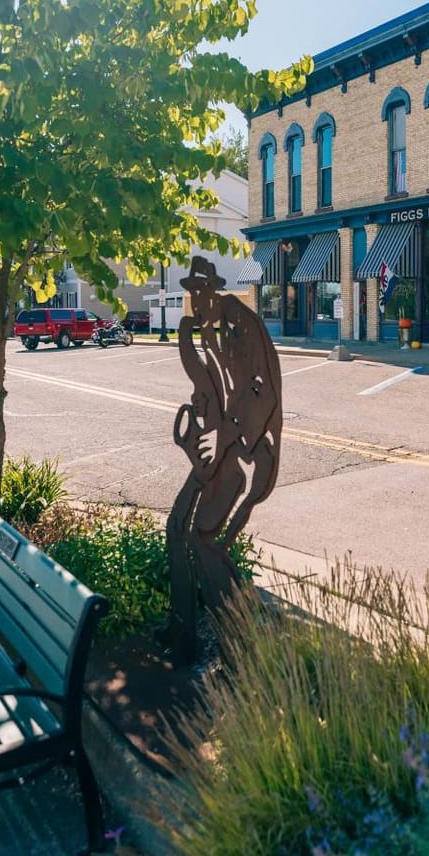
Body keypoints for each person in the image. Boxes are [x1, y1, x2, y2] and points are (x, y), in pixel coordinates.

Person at [164, 256, 282, 663]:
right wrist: (185, 339)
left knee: (203, 539)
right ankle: (183, 631)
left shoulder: (240, 324)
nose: (197, 301)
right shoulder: (206, 330)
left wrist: (223, 434)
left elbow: (261, 393)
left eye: (202, 292)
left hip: (248, 454)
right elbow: (208, 384)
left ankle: (243, 635)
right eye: (192, 294)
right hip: (217, 451)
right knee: (176, 530)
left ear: (215, 290)